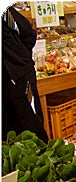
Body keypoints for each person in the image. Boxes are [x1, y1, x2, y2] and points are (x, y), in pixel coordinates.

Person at [2, 6, 49, 143]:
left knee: (30, 119)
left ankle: (40, 150)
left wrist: (20, 58)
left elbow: (28, 34)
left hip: (20, 74)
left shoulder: (5, 12)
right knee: (10, 124)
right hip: (9, 76)